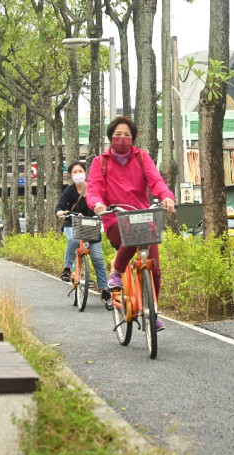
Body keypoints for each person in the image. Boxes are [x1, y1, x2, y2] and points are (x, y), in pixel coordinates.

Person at [86, 116, 176, 331]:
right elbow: (94, 189)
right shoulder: (101, 162)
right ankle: (116, 271)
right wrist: (97, 204)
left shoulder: (142, 158)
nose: (122, 138)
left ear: (133, 138)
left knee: (154, 269)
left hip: (143, 217)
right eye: (118, 134)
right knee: (130, 233)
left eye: (127, 135)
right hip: (114, 218)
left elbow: (156, 181)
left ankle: (151, 311)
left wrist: (166, 196)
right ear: (110, 137)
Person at [55, 161, 111, 305]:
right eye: (74, 172)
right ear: (70, 175)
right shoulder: (69, 191)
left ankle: (105, 290)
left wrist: (102, 209)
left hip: (92, 225)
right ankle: (67, 269)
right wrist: (61, 212)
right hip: (72, 224)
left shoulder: (93, 189)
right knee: (74, 240)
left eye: (80, 171)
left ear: (85, 173)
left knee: (98, 257)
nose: (78, 174)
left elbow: (102, 202)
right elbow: (59, 207)